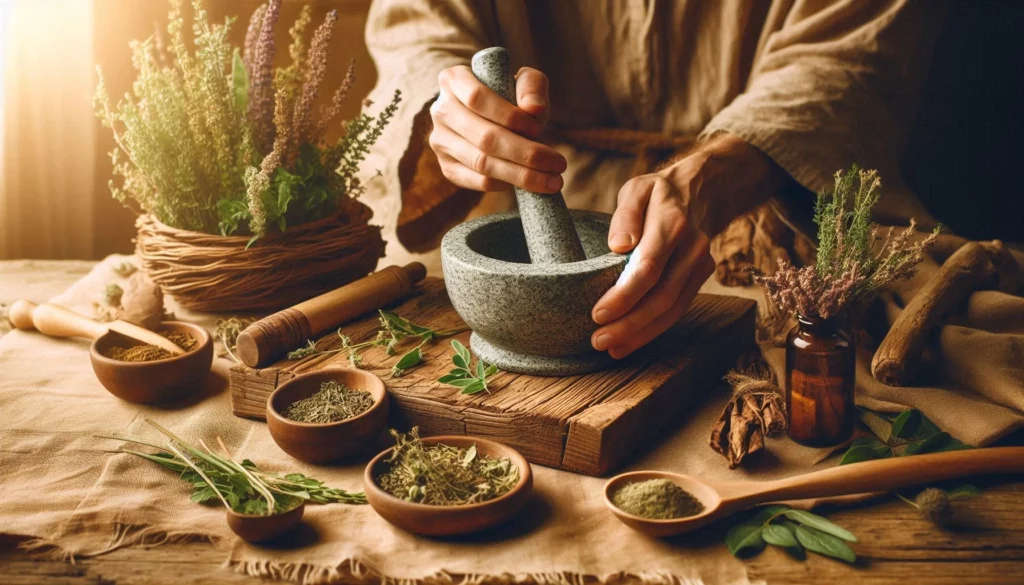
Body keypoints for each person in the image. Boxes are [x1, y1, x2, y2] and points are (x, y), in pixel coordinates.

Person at [361, 0, 944, 359]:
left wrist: (714, 174)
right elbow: (418, 29)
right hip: (505, 198)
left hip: (761, 212)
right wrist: (453, 104)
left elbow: (849, 57)